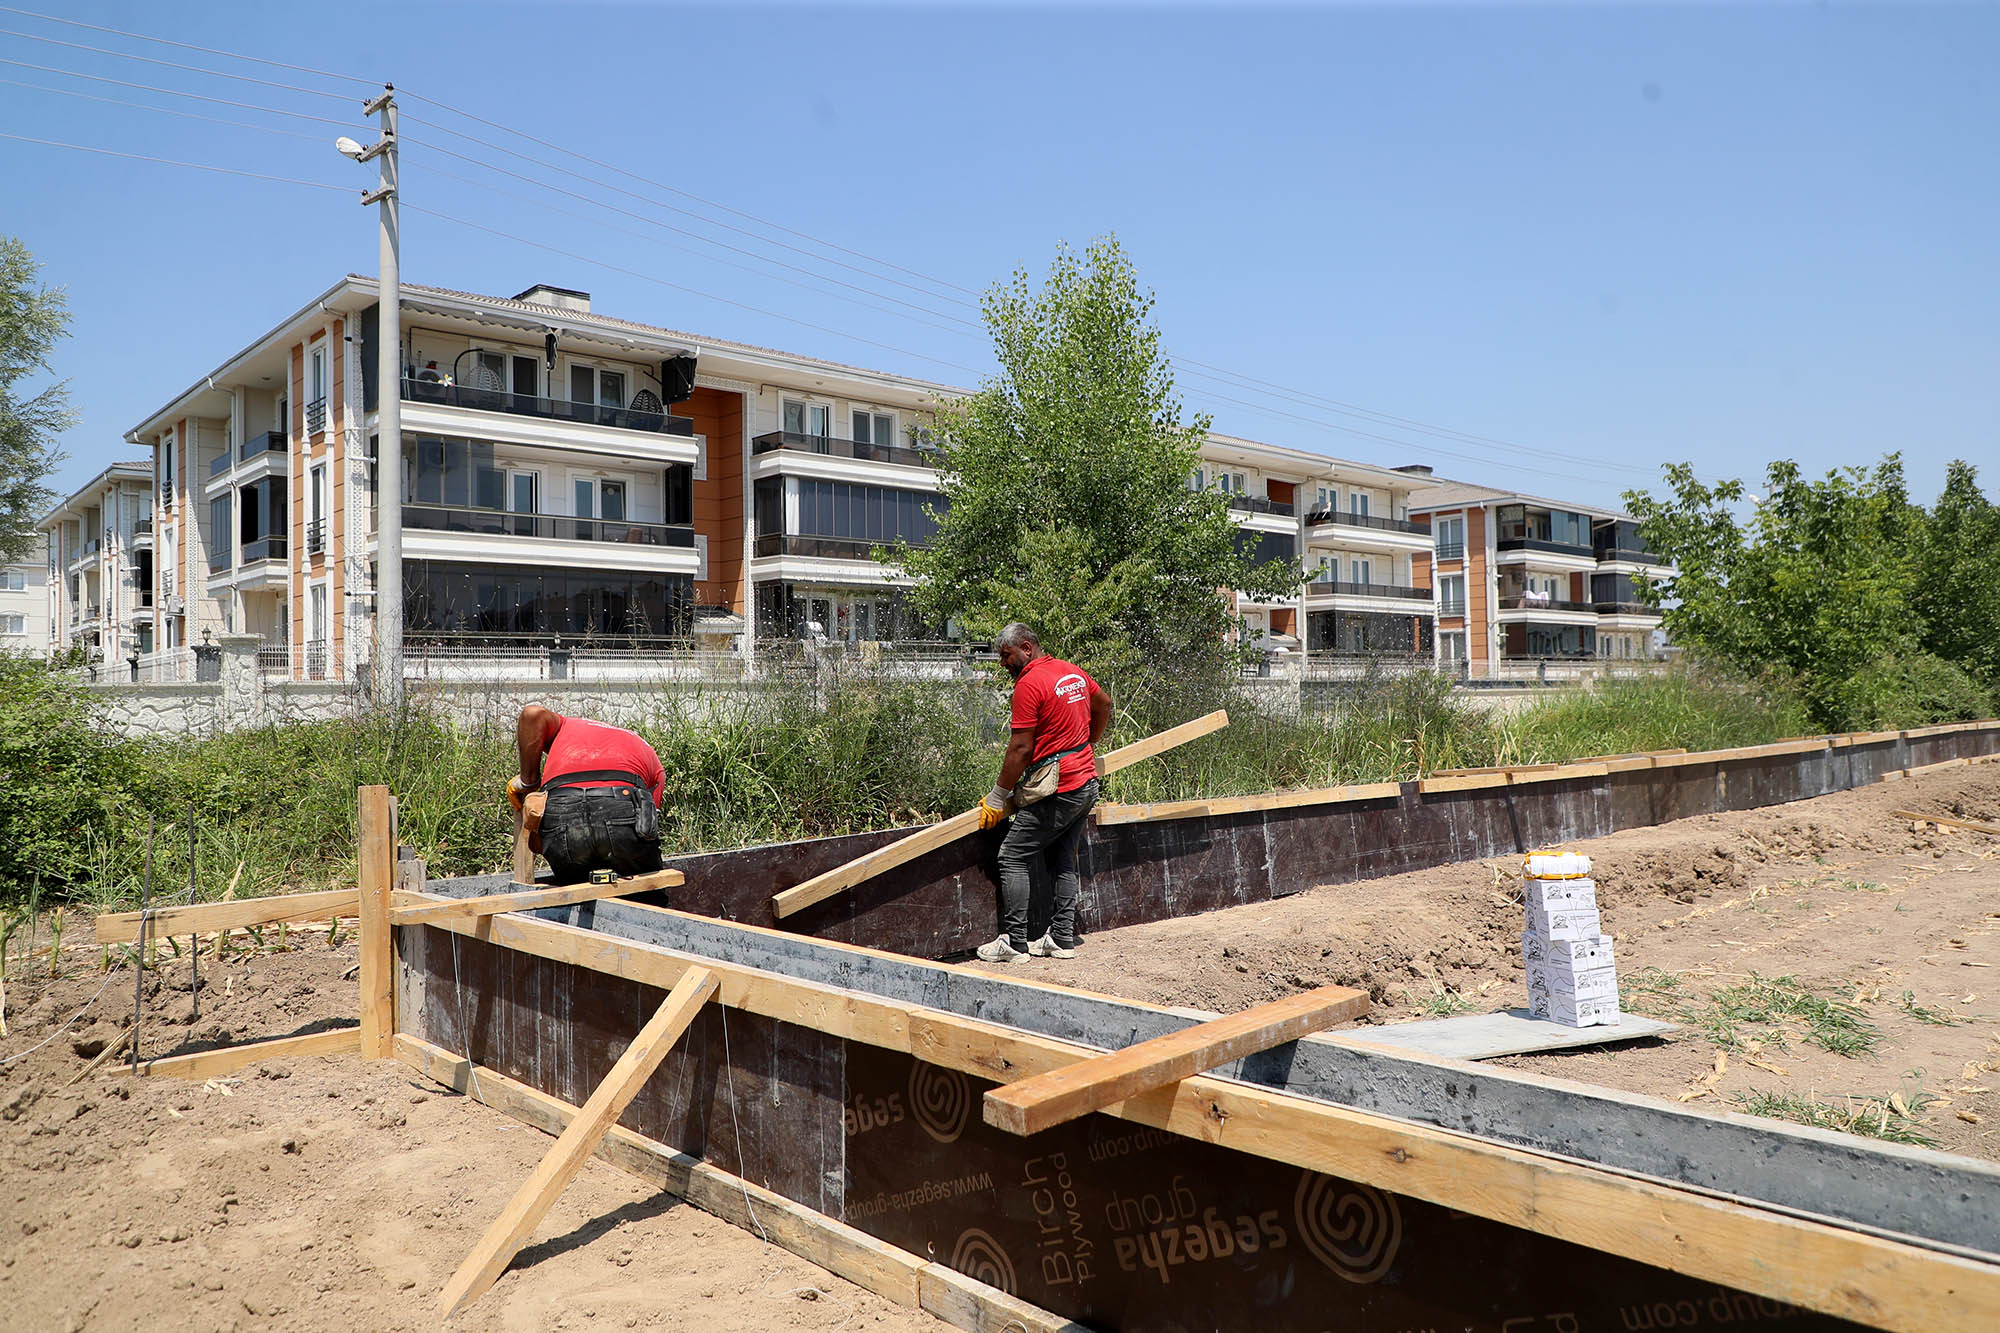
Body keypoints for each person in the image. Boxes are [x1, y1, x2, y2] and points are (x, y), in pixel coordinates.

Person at [973, 624, 1113, 963]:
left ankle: (1015, 943)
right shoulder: (1071, 671)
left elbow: (1021, 748)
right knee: (1063, 857)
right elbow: (1105, 704)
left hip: (1059, 788)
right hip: (1086, 783)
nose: (1003, 664)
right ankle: (1062, 938)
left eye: (1006, 656)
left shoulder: (1029, 684)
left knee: (1012, 856)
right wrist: (1087, 744)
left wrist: (997, 796)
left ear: (1026, 648)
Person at [507, 705, 667, 886]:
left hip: (561, 807)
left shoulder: (565, 726)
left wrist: (528, 783)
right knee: (648, 893)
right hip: (621, 804)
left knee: (574, 894)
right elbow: (647, 827)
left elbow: (532, 713)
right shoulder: (649, 757)